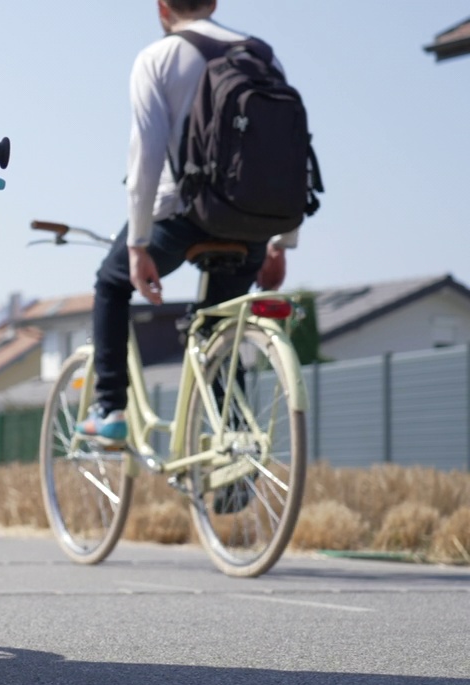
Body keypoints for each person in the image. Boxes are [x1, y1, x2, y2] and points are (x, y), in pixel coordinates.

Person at [81, 0, 299, 445]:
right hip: (255, 223)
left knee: (110, 283)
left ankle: (110, 408)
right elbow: (288, 150)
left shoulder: (158, 58)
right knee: (222, 328)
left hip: (184, 216)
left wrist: (138, 245)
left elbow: (147, 156)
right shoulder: (262, 54)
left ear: (161, 7)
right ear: (214, 2)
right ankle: (233, 448)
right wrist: (281, 242)